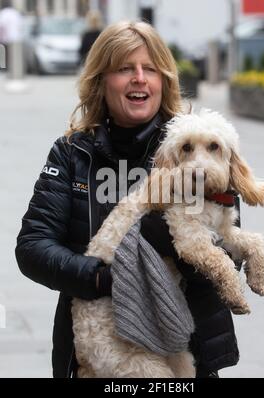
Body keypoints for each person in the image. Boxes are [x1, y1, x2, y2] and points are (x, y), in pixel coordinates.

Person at [15, 21, 239, 379]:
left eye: (149, 69)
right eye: (124, 68)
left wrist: (181, 250)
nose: (139, 78)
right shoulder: (72, 152)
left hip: (184, 350)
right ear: (102, 80)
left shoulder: (198, 147)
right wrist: (106, 280)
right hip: (98, 348)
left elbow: (229, 256)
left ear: (163, 80)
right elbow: (32, 249)